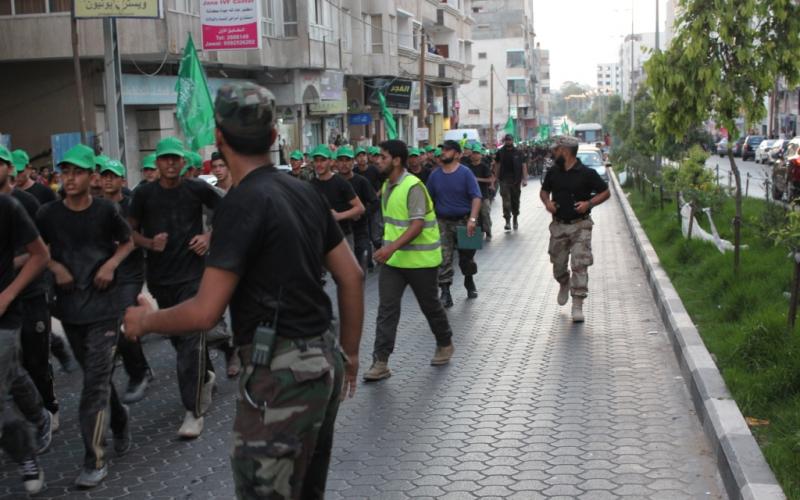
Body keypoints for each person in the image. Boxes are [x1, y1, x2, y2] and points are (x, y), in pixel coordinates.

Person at [123, 81, 364, 500]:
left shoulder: (241, 203)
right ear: (274, 138)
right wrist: (351, 353)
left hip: (281, 372)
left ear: (219, 138)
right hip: (324, 358)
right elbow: (352, 276)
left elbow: (204, 312)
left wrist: (145, 321)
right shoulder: (303, 191)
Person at [36, 144, 134, 488]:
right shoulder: (48, 214)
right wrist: (54, 266)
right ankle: (119, 420)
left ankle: (95, 459)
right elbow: (34, 249)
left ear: (92, 176)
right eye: (65, 172)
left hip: (105, 310)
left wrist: (110, 264)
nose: (70, 178)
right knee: (100, 380)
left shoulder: (106, 211)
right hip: (70, 309)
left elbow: (127, 243)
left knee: (92, 387)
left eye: (77, 172)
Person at [128, 136, 221, 439]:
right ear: (157, 163)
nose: (170, 163)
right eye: (164, 158)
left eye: (175, 159)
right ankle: (203, 376)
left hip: (193, 278)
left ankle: (193, 412)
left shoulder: (196, 189)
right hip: (160, 280)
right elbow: (129, 232)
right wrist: (148, 243)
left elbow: (230, 209)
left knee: (190, 344)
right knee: (181, 344)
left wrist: (209, 237)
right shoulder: (143, 195)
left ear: (184, 163)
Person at [363, 140, 454, 381]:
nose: (377, 160)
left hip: (420, 261)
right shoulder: (387, 186)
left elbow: (417, 225)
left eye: (382, 157)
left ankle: (445, 343)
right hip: (394, 262)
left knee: (430, 306)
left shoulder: (413, 186)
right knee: (387, 310)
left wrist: (389, 248)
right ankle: (380, 361)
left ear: (396, 160)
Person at [0, 147, 51, 494]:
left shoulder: (9, 206)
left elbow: (41, 254)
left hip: (5, 316)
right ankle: (39, 416)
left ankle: (25, 454)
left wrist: (8, 293)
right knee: (12, 375)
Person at [5, 151, 61, 433]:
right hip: (4, 300)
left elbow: (44, 248)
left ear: (9, 168)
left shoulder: (26, 202)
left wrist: (12, 263)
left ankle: (49, 408)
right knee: (11, 364)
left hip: (31, 292)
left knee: (36, 358)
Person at [99, 160, 154, 404]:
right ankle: (141, 366)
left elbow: (142, 235)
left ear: (123, 180)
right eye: (104, 175)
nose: (108, 180)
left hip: (130, 271)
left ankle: (138, 374)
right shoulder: (95, 207)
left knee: (123, 321)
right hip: (102, 275)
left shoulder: (132, 205)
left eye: (113, 176)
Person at [540, 135, 610, 323]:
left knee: (580, 264)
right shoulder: (553, 172)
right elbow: (544, 191)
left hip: (581, 225)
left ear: (564, 151)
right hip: (559, 226)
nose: (553, 153)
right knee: (558, 265)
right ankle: (564, 281)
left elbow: (605, 192)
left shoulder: (587, 173)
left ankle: (577, 304)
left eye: (555, 150)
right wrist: (548, 203)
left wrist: (589, 203)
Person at [426, 140, 482, 307]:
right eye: (443, 149)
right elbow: (428, 199)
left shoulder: (466, 173)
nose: (443, 152)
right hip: (442, 222)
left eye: (448, 150)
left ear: (457, 154)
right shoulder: (434, 175)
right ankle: (445, 292)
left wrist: (472, 219)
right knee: (444, 257)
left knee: (467, 258)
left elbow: (476, 197)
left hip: (465, 221)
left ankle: (469, 279)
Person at [310, 145, 365, 250]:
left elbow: (360, 208)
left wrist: (339, 216)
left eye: (323, 160)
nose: (319, 164)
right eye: (316, 161)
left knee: (346, 267)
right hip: (320, 237)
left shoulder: (341, 183)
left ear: (330, 162)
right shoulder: (311, 185)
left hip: (343, 237)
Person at [336, 146, 377, 274]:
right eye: (341, 160)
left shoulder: (361, 182)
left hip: (360, 230)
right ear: (336, 162)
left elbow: (375, 202)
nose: (344, 164)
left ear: (353, 161)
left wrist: (362, 213)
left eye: (347, 160)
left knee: (360, 268)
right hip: (340, 231)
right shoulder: (333, 182)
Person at [494, 134, 527, 231]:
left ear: (513, 141)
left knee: (515, 201)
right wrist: (495, 177)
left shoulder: (519, 152)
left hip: (516, 181)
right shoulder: (500, 152)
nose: (508, 141)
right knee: (506, 202)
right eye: (507, 140)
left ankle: (515, 218)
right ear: (504, 141)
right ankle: (507, 221)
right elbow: (497, 165)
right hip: (504, 180)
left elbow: (524, 165)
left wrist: (525, 179)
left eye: (510, 140)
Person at [465, 143, 495, 241]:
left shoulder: (484, 167)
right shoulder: (468, 168)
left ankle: (488, 232)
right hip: (471, 197)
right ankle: (478, 233)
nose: (475, 155)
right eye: (473, 153)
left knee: (485, 214)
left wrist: (477, 179)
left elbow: (490, 180)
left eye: (477, 153)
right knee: (474, 217)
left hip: (483, 195)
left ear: (481, 155)